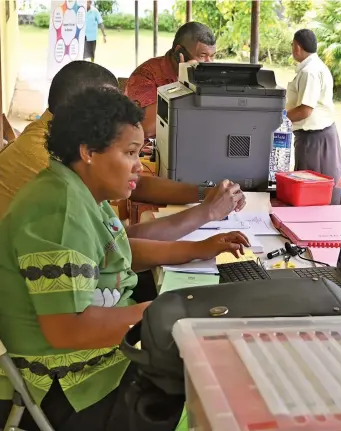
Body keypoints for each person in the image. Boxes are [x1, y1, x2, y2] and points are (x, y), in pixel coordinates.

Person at [0, 87, 249, 430]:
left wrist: (198, 249)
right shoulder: (60, 210)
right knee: (218, 383)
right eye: (131, 153)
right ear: (88, 152)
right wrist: (171, 312)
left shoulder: (78, 190)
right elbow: (67, 330)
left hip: (94, 362)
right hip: (73, 385)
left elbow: (118, 250)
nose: (138, 166)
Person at [0, 61, 245, 243]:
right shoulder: (49, 165)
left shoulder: (61, 140)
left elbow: (135, 185)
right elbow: (119, 247)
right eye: (108, 109)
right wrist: (207, 212)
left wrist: (205, 194)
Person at [125, 22, 217, 138]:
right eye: (202, 55)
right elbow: (147, 129)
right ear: (180, 53)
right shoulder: (145, 74)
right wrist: (183, 83)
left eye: (212, 56)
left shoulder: (208, 75)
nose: (209, 63)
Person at [286, 29, 341, 205]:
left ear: (297, 47)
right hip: (318, 135)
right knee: (314, 188)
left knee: (311, 192)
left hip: (315, 138)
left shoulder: (309, 71)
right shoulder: (316, 66)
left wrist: (279, 119)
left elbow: (305, 110)